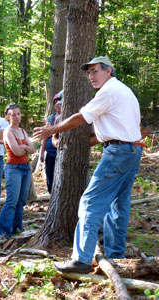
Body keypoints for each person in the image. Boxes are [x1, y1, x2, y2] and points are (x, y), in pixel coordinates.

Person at [34, 57, 143, 273]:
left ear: (108, 71)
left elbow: (81, 117)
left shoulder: (109, 91)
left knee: (89, 202)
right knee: (117, 206)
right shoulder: (123, 90)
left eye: (95, 71)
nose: (91, 76)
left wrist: (52, 130)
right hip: (132, 150)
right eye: (89, 73)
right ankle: (115, 256)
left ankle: (81, 259)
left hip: (118, 152)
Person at [0, 104, 35, 238]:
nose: (16, 117)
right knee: (12, 201)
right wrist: (26, 147)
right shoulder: (8, 132)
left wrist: (23, 146)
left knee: (21, 201)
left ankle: (17, 228)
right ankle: (2, 232)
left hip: (25, 168)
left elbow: (33, 149)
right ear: (8, 117)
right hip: (14, 169)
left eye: (18, 113)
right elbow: (17, 152)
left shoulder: (22, 131)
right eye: (13, 114)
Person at [39, 92, 63, 193]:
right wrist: (41, 151)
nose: (58, 104)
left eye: (60, 102)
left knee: (59, 175)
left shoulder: (66, 117)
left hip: (60, 150)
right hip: (50, 151)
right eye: (56, 102)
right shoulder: (51, 117)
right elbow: (45, 135)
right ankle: (51, 194)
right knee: (50, 174)